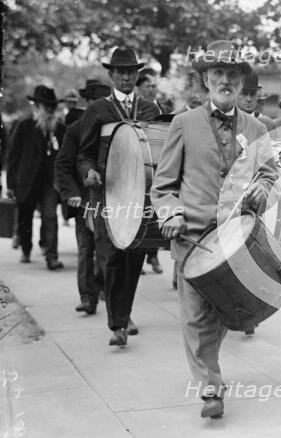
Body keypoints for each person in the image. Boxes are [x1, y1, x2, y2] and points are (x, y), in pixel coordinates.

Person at [151, 40, 278, 419]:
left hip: (237, 240)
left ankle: (210, 369)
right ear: (206, 79)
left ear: (242, 82)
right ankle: (211, 388)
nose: (226, 80)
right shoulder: (182, 124)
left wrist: (263, 187)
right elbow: (163, 185)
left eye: (233, 75)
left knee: (222, 314)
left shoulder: (256, 127)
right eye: (218, 73)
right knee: (195, 316)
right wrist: (169, 213)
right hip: (191, 238)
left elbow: (269, 173)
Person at [77, 47, 160, 346]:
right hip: (107, 197)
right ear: (111, 75)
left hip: (140, 199)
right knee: (112, 257)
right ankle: (117, 324)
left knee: (134, 259)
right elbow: (84, 155)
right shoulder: (97, 110)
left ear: (137, 75)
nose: (126, 77)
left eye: (131, 72)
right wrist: (89, 172)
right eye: (120, 72)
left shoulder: (151, 109)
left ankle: (124, 314)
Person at [55, 79, 111, 315]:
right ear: (87, 103)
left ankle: (111, 299)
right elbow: (62, 165)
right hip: (83, 201)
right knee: (86, 250)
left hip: (110, 201)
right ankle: (88, 297)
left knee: (109, 252)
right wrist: (72, 194)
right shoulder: (75, 129)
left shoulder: (113, 129)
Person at [6, 85, 66, 270]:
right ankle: (26, 249)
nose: (49, 110)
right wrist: (10, 184)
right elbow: (13, 156)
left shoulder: (59, 128)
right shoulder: (24, 125)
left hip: (49, 181)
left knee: (50, 217)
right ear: (37, 106)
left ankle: (51, 256)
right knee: (25, 217)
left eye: (51, 107)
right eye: (45, 106)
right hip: (27, 180)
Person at [135, 67, 164, 274]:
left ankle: (153, 256)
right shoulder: (135, 109)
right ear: (139, 88)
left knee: (156, 210)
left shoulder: (163, 108)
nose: (152, 90)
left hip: (160, 166)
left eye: (155, 86)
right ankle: (139, 252)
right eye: (148, 86)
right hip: (140, 165)